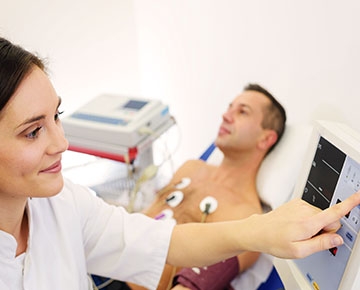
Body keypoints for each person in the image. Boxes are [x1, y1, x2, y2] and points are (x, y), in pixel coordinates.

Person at [0, 36, 359, 290]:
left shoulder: (63, 205)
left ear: (266, 138)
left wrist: (261, 231)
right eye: (33, 132)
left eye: (58, 116)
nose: (62, 143)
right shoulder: (190, 168)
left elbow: (156, 243)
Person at [126, 83, 285, 290]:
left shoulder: (247, 218)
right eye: (230, 107)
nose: (226, 116)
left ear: (266, 138)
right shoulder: (190, 169)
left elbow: (194, 284)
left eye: (242, 112)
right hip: (104, 270)